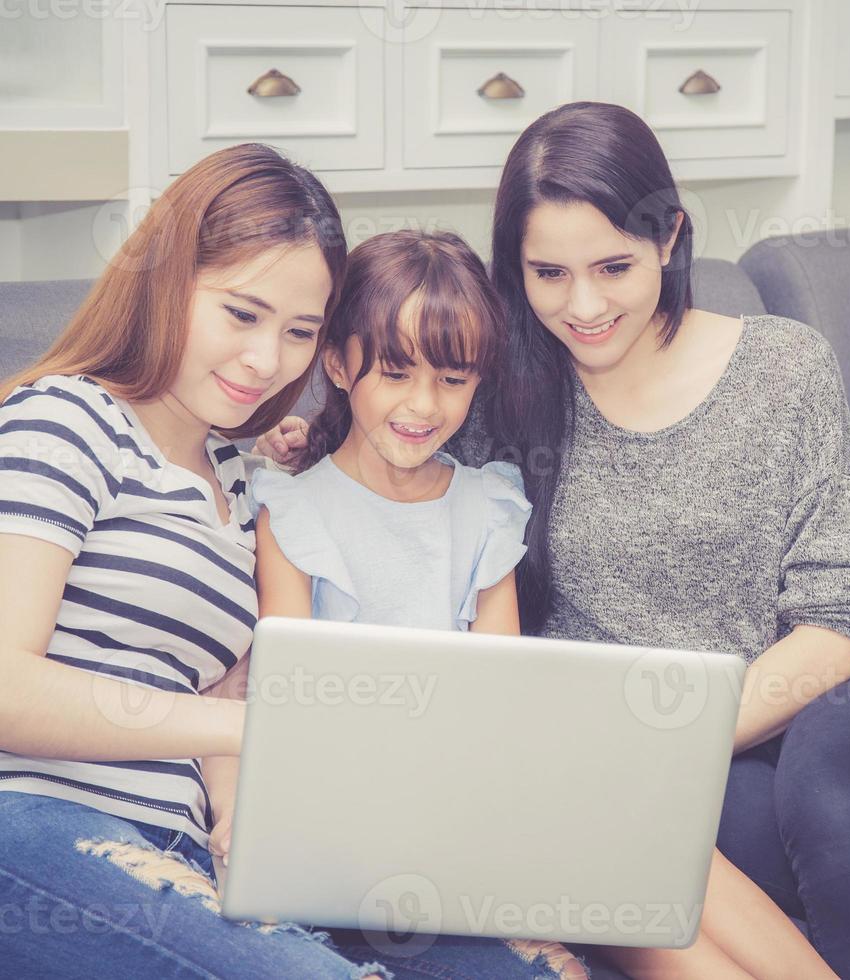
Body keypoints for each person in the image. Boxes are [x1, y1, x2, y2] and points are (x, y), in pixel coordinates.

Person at [257, 102, 850, 979]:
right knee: (676, 849)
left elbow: (834, 625)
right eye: (548, 273)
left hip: (835, 702)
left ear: (669, 238)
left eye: (614, 266)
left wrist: (667, 742)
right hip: (649, 760)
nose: (584, 305)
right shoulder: (502, 398)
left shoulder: (785, 369)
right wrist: (297, 431)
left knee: (831, 805)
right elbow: (395, 428)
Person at [0, 143, 577, 980]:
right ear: (166, 278)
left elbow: (241, 663)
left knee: (536, 971)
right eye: (242, 313)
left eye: (299, 331)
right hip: (40, 825)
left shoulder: (246, 478)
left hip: (199, 853)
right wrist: (260, 725)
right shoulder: (65, 420)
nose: (267, 360)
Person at [243, 228, 831, 980]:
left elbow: (502, 698)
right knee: (611, 839)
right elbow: (300, 717)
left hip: (481, 804)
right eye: (394, 374)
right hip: (362, 823)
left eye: (454, 381)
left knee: (642, 838)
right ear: (337, 361)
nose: (424, 406)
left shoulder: (486, 504)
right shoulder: (292, 510)